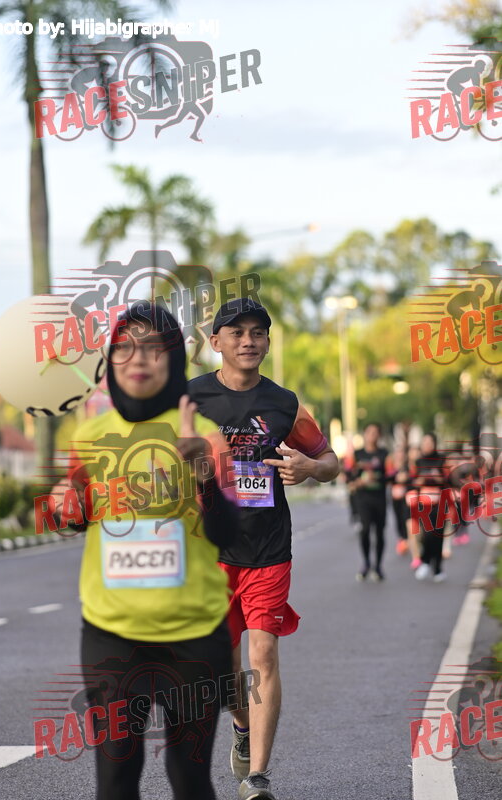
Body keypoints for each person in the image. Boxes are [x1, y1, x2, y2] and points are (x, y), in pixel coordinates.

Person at [50, 302, 240, 800]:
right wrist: (63, 506)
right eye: (125, 347)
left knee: (190, 779)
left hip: (194, 633)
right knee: (115, 780)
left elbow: (228, 532)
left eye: (154, 348)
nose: (138, 358)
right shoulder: (88, 437)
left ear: (173, 361)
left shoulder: (205, 434)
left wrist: (203, 472)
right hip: (111, 632)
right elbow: (74, 518)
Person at [188, 297, 339, 800]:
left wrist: (310, 469)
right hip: (210, 551)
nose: (248, 341)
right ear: (216, 342)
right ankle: (243, 726)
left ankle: (257, 777)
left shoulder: (284, 403)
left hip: (269, 548)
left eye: (258, 332)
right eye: (237, 332)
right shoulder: (190, 399)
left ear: (268, 342)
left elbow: (330, 460)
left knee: (264, 653)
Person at [347, 422, 389, 582]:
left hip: (379, 498)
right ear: (364, 434)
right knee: (365, 530)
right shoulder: (357, 454)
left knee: (379, 532)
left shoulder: (384, 454)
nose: (372, 435)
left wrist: (376, 477)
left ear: (379, 435)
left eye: (375, 432)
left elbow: (391, 475)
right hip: (363, 499)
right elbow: (348, 473)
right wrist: (356, 482)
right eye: (369, 432)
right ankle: (366, 563)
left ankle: (378, 566)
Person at [409, 433, 448, 582]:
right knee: (427, 534)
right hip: (423, 504)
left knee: (438, 535)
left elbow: (449, 480)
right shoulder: (418, 461)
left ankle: (437, 568)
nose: (427, 445)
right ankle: (425, 561)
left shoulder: (442, 460)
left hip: (440, 503)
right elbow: (412, 481)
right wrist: (419, 481)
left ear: (434, 443)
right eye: (424, 442)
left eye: (429, 442)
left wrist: (439, 478)